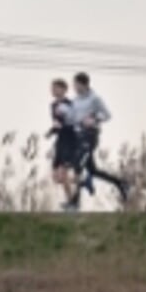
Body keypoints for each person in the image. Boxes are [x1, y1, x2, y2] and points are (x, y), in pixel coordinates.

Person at [68, 71, 128, 205]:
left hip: (90, 136)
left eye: (76, 84)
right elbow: (72, 119)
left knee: (78, 166)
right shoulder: (75, 101)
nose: (74, 87)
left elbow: (107, 115)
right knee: (93, 171)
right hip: (78, 136)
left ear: (83, 84)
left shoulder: (95, 99)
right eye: (74, 85)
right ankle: (121, 184)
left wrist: (94, 119)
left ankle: (74, 201)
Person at [46, 78, 84, 210]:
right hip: (60, 140)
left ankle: (72, 203)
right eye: (52, 88)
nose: (53, 90)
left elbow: (74, 121)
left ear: (63, 90)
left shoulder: (70, 104)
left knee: (62, 173)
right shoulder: (52, 105)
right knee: (56, 177)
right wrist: (51, 131)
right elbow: (57, 123)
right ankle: (77, 185)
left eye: (56, 88)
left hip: (69, 140)